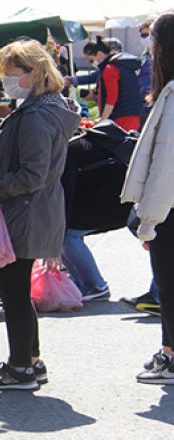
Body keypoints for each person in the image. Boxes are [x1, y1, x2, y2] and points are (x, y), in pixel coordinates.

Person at [0, 39, 81, 391]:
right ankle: (30, 360)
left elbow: (33, 173)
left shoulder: (36, 114)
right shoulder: (44, 109)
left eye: (9, 74)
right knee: (14, 288)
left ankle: (21, 366)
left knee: (13, 289)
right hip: (32, 212)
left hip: (25, 213)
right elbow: (33, 165)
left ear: (33, 74)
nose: (4, 82)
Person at [120, 12, 174, 385]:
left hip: (169, 208)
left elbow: (164, 166)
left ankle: (171, 357)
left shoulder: (171, 94)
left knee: (169, 283)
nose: (148, 48)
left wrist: (148, 220)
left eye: (151, 40)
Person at [60, 121, 136, 302]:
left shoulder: (69, 150)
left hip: (114, 201)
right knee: (65, 234)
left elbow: (66, 193)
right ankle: (81, 282)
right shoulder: (89, 142)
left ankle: (94, 285)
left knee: (67, 235)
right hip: (123, 198)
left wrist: (58, 227)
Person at [82, 36, 143, 131]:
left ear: (99, 54)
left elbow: (111, 98)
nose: (93, 62)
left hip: (121, 116)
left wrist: (103, 120)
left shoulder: (110, 69)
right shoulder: (122, 65)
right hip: (133, 114)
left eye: (91, 59)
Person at [139, 17, 156, 128]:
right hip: (143, 102)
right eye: (143, 35)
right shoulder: (145, 55)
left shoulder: (164, 56)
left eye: (148, 35)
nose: (145, 39)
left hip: (155, 101)